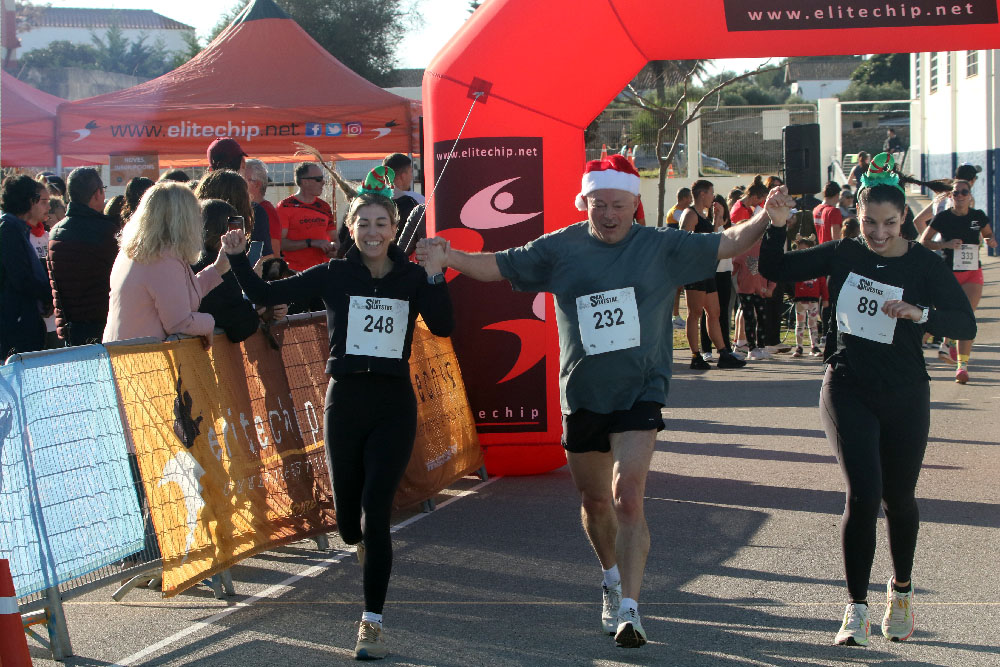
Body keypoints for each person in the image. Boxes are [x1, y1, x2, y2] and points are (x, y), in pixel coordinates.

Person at [415, 154, 788, 648]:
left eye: (617, 204)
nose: (609, 214)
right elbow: (498, 265)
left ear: (634, 204)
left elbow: (730, 241)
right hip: (584, 394)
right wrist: (449, 257)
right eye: (599, 204)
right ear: (584, 202)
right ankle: (611, 578)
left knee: (627, 495)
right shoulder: (561, 247)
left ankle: (631, 608)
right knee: (594, 501)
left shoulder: (660, 245)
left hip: (641, 390)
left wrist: (766, 218)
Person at [222, 167, 453, 660]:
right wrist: (239, 258)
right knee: (349, 522)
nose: (372, 232)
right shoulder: (334, 274)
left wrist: (436, 274)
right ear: (350, 228)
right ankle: (361, 541)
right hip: (345, 401)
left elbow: (443, 323)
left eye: (381, 223)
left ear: (394, 229)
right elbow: (266, 296)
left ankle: (372, 623)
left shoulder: (412, 277)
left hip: (393, 404)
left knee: (376, 511)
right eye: (363, 223)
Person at [758, 152, 977, 647]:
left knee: (898, 498)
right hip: (848, 386)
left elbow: (965, 323)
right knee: (862, 494)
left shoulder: (923, 263)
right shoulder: (844, 253)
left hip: (905, 391)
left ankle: (901, 591)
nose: (879, 232)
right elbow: (775, 267)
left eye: (890, 223)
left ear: (904, 220)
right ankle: (855, 608)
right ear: (856, 216)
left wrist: (920, 314)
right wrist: (776, 224)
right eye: (869, 222)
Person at [103, 182, 229, 346]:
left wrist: (217, 269)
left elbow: (177, 295)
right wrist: (208, 323)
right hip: (142, 355)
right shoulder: (163, 257)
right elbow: (180, 322)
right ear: (184, 219)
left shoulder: (137, 250)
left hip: (123, 350)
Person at [917, 179, 996, 383]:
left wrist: (990, 240)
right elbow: (924, 241)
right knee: (939, 316)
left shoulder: (978, 216)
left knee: (966, 318)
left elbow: (988, 234)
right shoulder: (943, 217)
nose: (960, 195)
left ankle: (962, 367)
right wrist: (946, 244)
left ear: (970, 195)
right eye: (956, 193)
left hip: (972, 273)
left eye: (964, 192)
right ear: (951, 196)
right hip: (948, 274)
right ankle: (914, 352)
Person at [47, 167, 119, 346]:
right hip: (104, 327)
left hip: (71, 329)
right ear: (97, 193)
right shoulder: (106, 231)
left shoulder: (55, 232)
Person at [680, 180, 746, 370]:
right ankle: (695, 355)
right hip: (694, 271)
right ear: (702, 194)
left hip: (708, 271)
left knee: (714, 312)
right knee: (695, 313)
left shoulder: (704, 215)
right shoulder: (690, 214)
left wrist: (717, 221)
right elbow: (682, 242)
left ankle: (723, 353)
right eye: (711, 193)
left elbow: (711, 240)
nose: (713, 197)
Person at [192, 199, 268, 343]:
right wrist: (251, 292)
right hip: (206, 351)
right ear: (227, 231)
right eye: (236, 226)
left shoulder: (182, 261)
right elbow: (238, 326)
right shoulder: (224, 268)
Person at [0, 175, 52, 356]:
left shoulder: (16, 229)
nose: (47, 206)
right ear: (30, 201)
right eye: (40, 200)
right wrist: (48, 294)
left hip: (21, 321)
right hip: (16, 326)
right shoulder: (9, 231)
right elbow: (21, 278)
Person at [277, 162, 337, 272]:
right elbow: (280, 243)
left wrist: (333, 249)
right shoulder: (285, 206)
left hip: (322, 271)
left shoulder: (324, 207)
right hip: (295, 272)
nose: (323, 182)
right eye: (318, 179)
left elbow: (334, 239)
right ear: (305, 182)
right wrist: (310, 243)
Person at [699, 194, 735, 361]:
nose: (716, 210)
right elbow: (710, 243)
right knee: (707, 311)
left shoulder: (730, 227)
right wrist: (716, 222)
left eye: (719, 207)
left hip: (725, 272)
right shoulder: (707, 225)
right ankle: (706, 349)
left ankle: (725, 347)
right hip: (710, 273)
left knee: (723, 311)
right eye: (714, 208)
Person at [788, 235, 828, 357]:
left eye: (804, 250)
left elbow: (822, 283)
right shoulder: (796, 265)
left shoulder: (817, 265)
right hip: (800, 299)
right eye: (799, 250)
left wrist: (825, 298)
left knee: (813, 324)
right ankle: (799, 347)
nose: (802, 253)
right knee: (800, 324)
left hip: (813, 299)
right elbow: (791, 280)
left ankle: (814, 346)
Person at [382, 153, 424, 230]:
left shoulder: (372, 200)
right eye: (411, 172)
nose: (412, 177)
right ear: (403, 176)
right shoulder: (417, 200)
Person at [244, 159, 276, 257]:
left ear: (257, 184)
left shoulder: (266, 210)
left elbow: (273, 251)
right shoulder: (252, 209)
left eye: (242, 179)